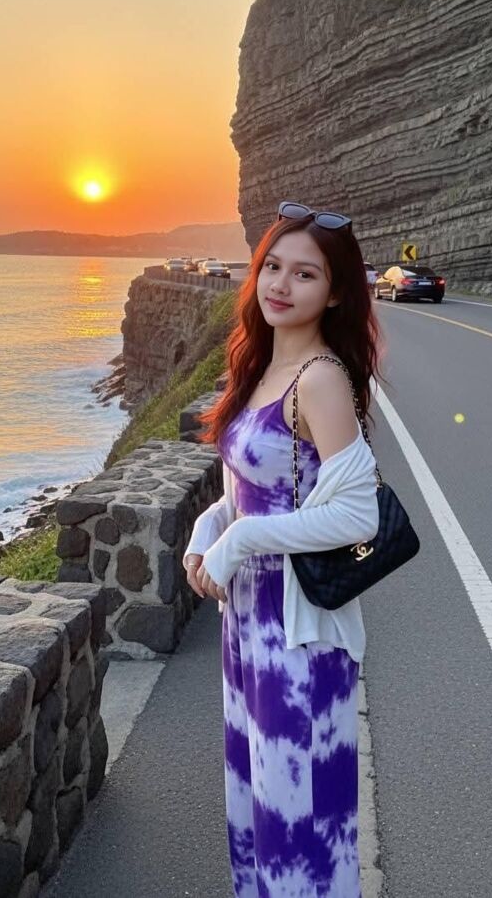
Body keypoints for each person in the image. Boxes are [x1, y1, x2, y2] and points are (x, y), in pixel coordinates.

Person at [182, 200, 382, 898]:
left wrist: (241, 540)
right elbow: (252, 493)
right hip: (247, 626)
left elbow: (357, 513)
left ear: (335, 292)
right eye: (272, 266)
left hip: (298, 636)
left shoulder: (320, 379)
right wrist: (207, 534)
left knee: (301, 833)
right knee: (256, 811)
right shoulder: (263, 366)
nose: (281, 284)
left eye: (305, 273)